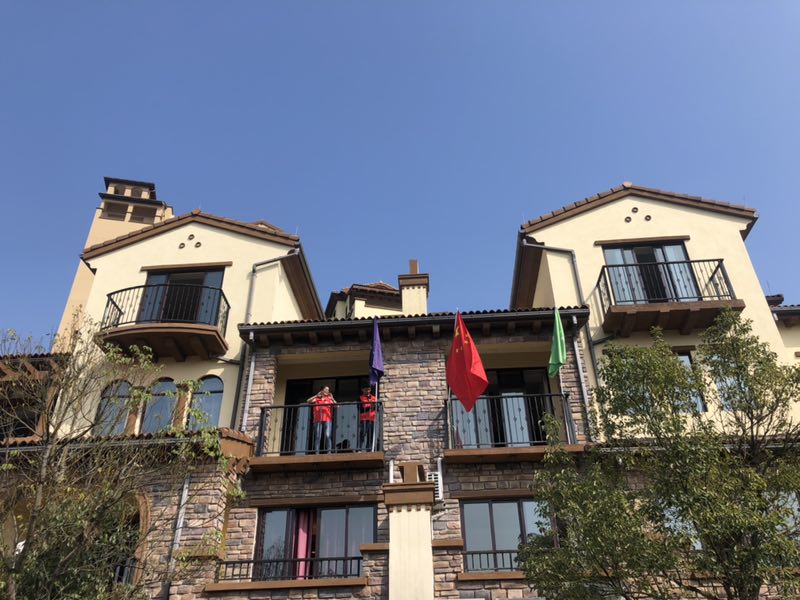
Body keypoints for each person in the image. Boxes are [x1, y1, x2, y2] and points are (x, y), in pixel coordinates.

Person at [308, 386, 336, 453]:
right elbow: (308, 401)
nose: (327, 391)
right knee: (318, 436)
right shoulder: (317, 398)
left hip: (327, 419)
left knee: (327, 435)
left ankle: (329, 452)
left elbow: (337, 406)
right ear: (322, 391)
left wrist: (332, 398)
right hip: (318, 420)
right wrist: (316, 395)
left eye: (328, 390)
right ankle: (317, 452)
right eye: (326, 389)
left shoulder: (329, 399)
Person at [358, 385, 377, 451]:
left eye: (369, 389)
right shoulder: (360, 398)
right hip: (364, 419)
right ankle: (359, 449)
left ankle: (369, 449)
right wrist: (369, 407)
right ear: (362, 390)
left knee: (370, 435)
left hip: (372, 418)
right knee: (362, 434)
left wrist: (373, 406)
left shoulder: (374, 398)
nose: (368, 391)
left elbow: (377, 408)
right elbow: (360, 409)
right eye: (366, 390)